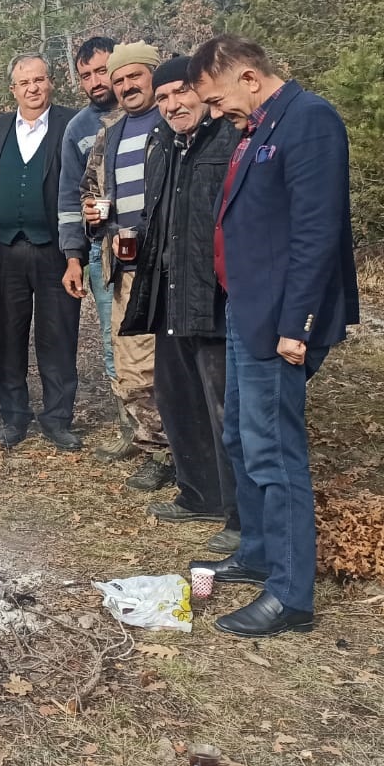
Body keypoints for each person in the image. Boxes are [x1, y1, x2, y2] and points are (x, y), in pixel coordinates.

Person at [187, 35, 358, 638]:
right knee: (240, 434)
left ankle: (290, 594)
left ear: (250, 78)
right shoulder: (258, 127)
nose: (215, 112)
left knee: (274, 450)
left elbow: (317, 233)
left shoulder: (309, 121)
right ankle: (258, 550)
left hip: (281, 319)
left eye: (217, 99)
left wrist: (298, 326)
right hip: (247, 310)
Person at [116, 55, 241, 555]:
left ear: (203, 92)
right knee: (177, 397)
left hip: (211, 295)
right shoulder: (166, 144)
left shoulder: (228, 142)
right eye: (164, 97)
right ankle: (198, 493)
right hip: (168, 292)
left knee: (223, 408)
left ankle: (238, 514)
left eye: (180, 94)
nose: (171, 105)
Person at [78, 43, 174, 490]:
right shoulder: (109, 134)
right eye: (118, 81)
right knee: (132, 363)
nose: (126, 86)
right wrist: (95, 215)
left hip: (175, 264)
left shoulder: (176, 123)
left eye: (134, 76)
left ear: (153, 75)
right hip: (126, 263)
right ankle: (158, 451)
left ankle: (192, 450)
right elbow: (89, 191)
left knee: (179, 362)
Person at [0, 53, 82, 450]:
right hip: (5, 252)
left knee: (58, 337)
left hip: (55, 251)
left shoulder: (72, 125)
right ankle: (14, 418)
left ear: (51, 82)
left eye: (39, 80)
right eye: (24, 83)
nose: (33, 88)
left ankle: (57, 418)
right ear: (13, 90)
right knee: (9, 336)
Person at [58, 36, 120, 405]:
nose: (96, 81)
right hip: (103, 248)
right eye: (86, 75)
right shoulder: (78, 128)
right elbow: (68, 198)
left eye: (102, 70)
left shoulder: (152, 112)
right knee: (114, 340)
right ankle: (133, 428)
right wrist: (73, 257)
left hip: (154, 245)